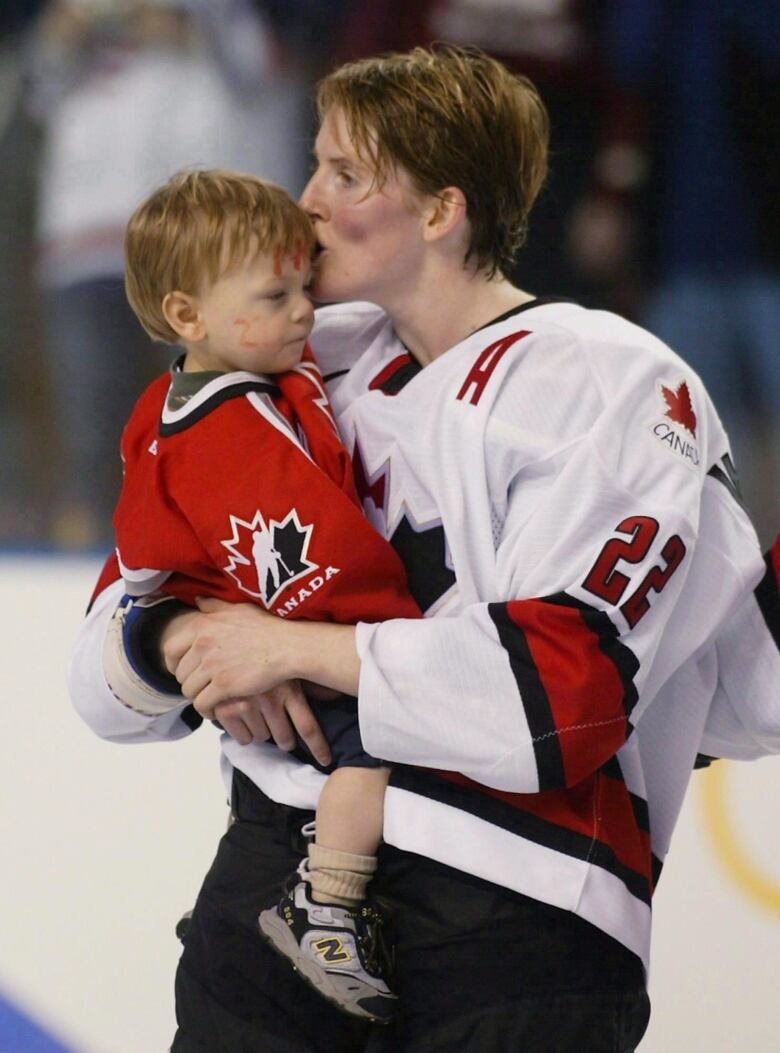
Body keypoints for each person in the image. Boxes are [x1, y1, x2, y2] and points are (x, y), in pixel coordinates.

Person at [69, 46, 780, 1052]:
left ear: (443, 212)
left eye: (347, 176)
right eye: (315, 163)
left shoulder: (611, 381)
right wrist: (184, 633)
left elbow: (562, 695)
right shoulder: (287, 366)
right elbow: (105, 672)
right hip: (269, 892)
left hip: (513, 910)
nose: (306, 200)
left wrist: (298, 649)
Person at [114, 168, 425, 1021]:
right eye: (275, 294)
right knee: (378, 741)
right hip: (300, 635)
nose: (303, 311)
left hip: (253, 630)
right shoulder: (230, 428)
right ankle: (325, 901)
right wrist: (391, 637)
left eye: (303, 286)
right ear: (189, 316)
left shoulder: (197, 393)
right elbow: (311, 552)